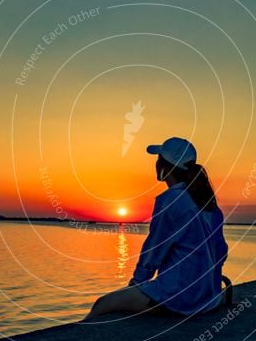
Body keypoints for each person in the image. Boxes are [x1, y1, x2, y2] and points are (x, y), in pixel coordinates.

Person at [82, 137, 228, 321]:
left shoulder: (171, 201)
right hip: (208, 297)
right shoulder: (210, 206)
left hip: (179, 298)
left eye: (158, 158)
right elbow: (221, 253)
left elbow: (154, 250)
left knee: (102, 305)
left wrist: (137, 283)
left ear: (164, 166)